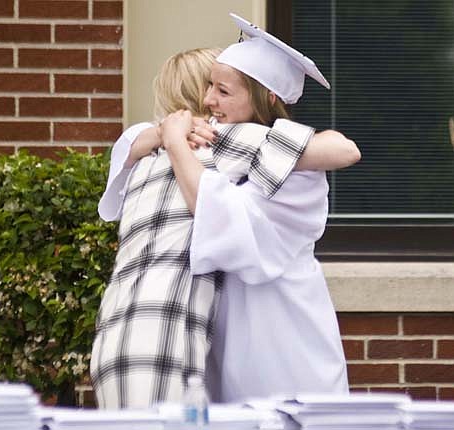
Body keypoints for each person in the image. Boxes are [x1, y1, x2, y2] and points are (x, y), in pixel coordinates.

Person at [92, 25, 357, 408]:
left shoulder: (298, 176)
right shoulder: (221, 151)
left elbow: (217, 216)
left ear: (265, 98)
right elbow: (133, 143)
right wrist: (163, 135)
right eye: (208, 86)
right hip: (226, 338)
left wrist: (172, 141)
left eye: (223, 91)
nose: (207, 101)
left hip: (282, 337)